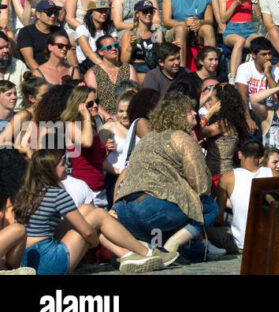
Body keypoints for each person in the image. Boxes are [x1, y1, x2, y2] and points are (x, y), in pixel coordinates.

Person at [16, 148, 173, 275]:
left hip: (28, 260)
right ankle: (146, 253)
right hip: (51, 264)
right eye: (62, 164)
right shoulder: (57, 194)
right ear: (50, 170)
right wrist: (92, 242)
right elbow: (88, 233)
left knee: (85, 210)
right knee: (97, 216)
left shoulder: (25, 192)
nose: (66, 167)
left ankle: (127, 256)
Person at [113, 92, 218, 256]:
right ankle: (171, 247)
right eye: (190, 110)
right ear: (178, 114)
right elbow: (200, 185)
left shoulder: (148, 138)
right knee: (209, 206)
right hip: (152, 209)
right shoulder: (182, 138)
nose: (195, 113)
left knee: (178, 204)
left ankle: (154, 251)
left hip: (124, 211)